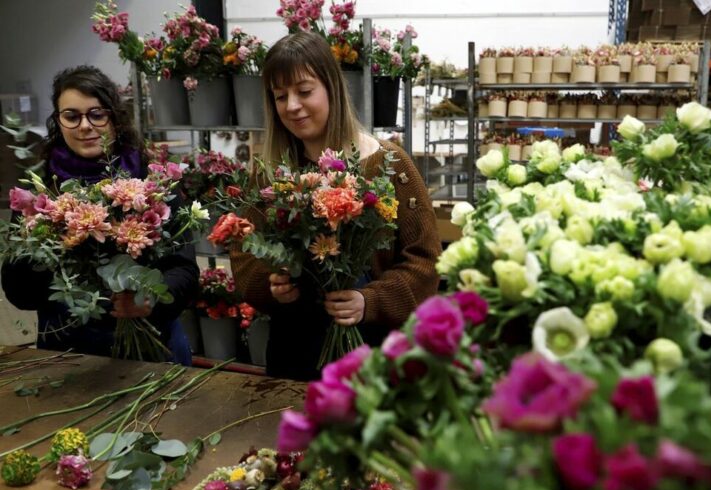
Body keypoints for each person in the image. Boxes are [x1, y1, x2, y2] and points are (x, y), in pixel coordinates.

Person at [230, 32, 441, 380]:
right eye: (280, 96)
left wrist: (370, 301)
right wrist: (272, 285)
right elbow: (243, 257)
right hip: (293, 357)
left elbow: (425, 262)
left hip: (373, 355)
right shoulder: (269, 174)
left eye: (304, 91)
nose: (292, 106)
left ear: (331, 87)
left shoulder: (388, 164)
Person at [1, 65, 198, 365]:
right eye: (72, 116)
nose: (85, 126)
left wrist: (150, 300)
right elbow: (18, 293)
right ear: (58, 121)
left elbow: (185, 270)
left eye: (96, 114)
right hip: (67, 354)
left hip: (154, 350)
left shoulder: (152, 182)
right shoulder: (42, 195)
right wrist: (53, 245)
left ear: (114, 118)